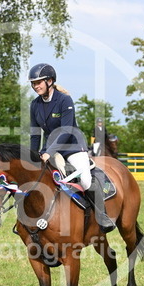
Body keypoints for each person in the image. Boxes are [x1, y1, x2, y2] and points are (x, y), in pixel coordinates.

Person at [28, 63, 115, 233]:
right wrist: (32, 156)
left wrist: (49, 152)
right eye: (33, 83)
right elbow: (35, 134)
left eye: (38, 82)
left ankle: (102, 215)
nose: (35, 86)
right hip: (50, 149)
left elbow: (66, 131)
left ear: (49, 81)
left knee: (86, 180)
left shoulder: (64, 100)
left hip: (72, 146)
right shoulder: (35, 104)